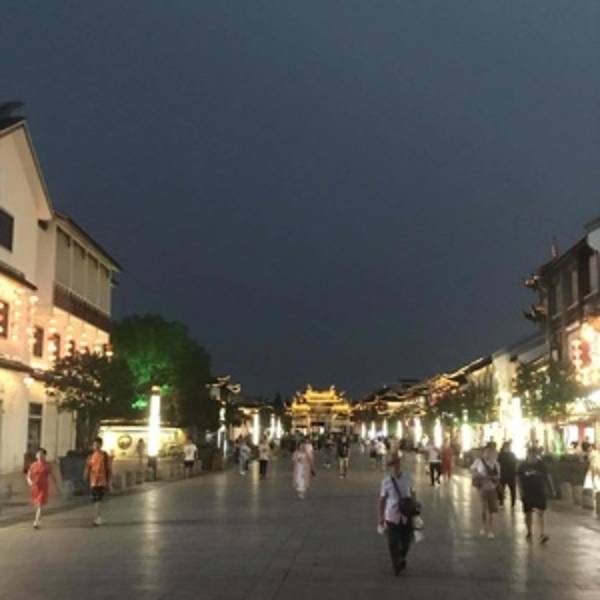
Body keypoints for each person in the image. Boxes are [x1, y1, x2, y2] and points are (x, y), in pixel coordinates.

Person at [378, 453, 417, 576]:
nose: (395, 467)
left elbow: (413, 494)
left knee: (406, 541)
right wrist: (381, 517)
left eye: (397, 463)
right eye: (392, 464)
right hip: (392, 515)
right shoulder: (386, 482)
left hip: (406, 515)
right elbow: (382, 500)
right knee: (392, 542)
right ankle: (396, 564)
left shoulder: (408, 478)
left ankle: (402, 557)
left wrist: (414, 510)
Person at [518, 448, 553, 543]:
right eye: (531, 454)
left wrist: (551, 488)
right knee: (528, 512)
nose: (533, 457)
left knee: (540, 512)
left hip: (539, 491)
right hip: (527, 491)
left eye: (534, 455)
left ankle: (542, 533)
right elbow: (518, 478)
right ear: (528, 454)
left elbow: (547, 476)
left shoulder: (541, 464)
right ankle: (529, 531)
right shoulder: (523, 465)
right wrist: (520, 490)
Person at [471, 445, 500, 538]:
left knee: (491, 510)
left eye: (490, 452)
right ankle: (483, 526)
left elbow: (498, 477)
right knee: (483, 508)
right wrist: (479, 475)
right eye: (486, 452)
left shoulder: (495, 463)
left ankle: (491, 529)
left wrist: (492, 478)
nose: (488, 454)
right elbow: (473, 472)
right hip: (482, 488)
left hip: (492, 488)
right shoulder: (478, 462)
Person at [26, 448, 59, 529]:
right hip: (35, 487)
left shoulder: (47, 465)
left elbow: (52, 476)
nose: (40, 455)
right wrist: (30, 482)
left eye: (42, 454)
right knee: (37, 504)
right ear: (36, 456)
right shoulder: (33, 465)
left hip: (43, 487)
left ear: (45, 456)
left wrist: (56, 486)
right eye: (38, 454)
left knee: (39, 504)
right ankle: (39, 518)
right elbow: (28, 476)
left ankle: (36, 521)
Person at [84, 437, 112, 527]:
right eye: (94, 445)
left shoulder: (104, 456)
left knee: (98, 500)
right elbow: (87, 467)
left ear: (101, 445)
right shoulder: (91, 456)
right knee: (95, 501)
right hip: (93, 481)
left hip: (102, 481)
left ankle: (97, 518)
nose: (95, 446)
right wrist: (85, 476)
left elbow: (109, 469)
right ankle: (97, 516)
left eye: (97, 444)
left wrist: (109, 482)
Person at [497, 440, 518, 509]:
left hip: (511, 475)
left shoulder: (512, 454)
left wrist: (515, 472)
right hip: (503, 474)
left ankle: (513, 503)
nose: (508, 448)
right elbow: (497, 464)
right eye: (507, 446)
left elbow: (515, 463)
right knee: (501, 489)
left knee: (512, 490)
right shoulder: (501, 455)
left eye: (509, 447)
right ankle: (501, 502)